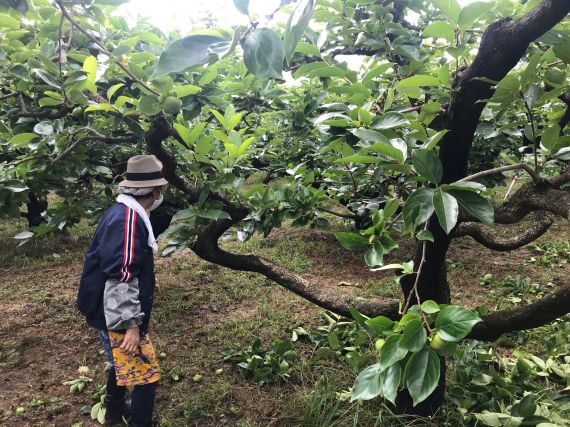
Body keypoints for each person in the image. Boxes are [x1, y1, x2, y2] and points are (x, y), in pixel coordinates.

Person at [77, 155, 168, 427]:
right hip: (115, 313)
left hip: (107, 308)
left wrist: (147, 282)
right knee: (146, 374)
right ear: (154, 191)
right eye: (159, 190)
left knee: (120, 362)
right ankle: (140, 421)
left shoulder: (123, 212)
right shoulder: (128, 220)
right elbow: (120, 276)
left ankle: (114, 411)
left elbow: (127, 264)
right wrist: (130, 325)